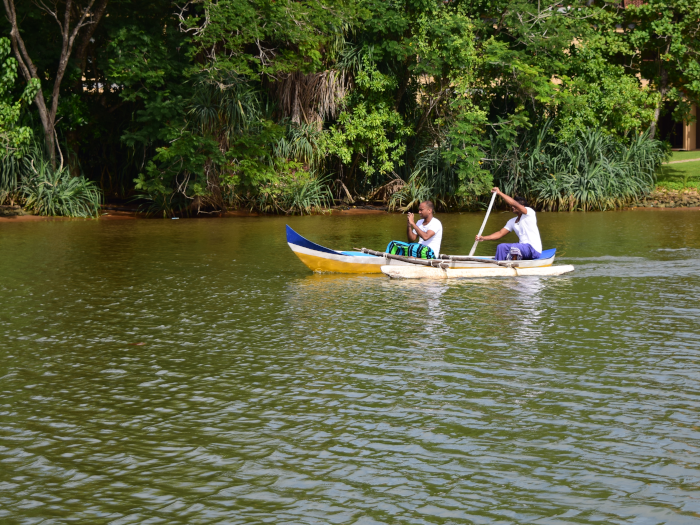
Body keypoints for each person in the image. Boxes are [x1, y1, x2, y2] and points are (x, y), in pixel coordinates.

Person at [475, 188, 542, 260]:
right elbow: (500, 233)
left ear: (522, 207)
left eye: (515, 206)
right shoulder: (512, 221)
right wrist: (483, 238)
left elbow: (513, 203)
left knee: (514, 248)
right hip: (521, 248)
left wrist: (499, 193)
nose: (512, 207)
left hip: (533, 250)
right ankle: (499, 265)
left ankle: (513, 262)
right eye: (513, 206)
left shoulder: (529, 213)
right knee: (501, 247)